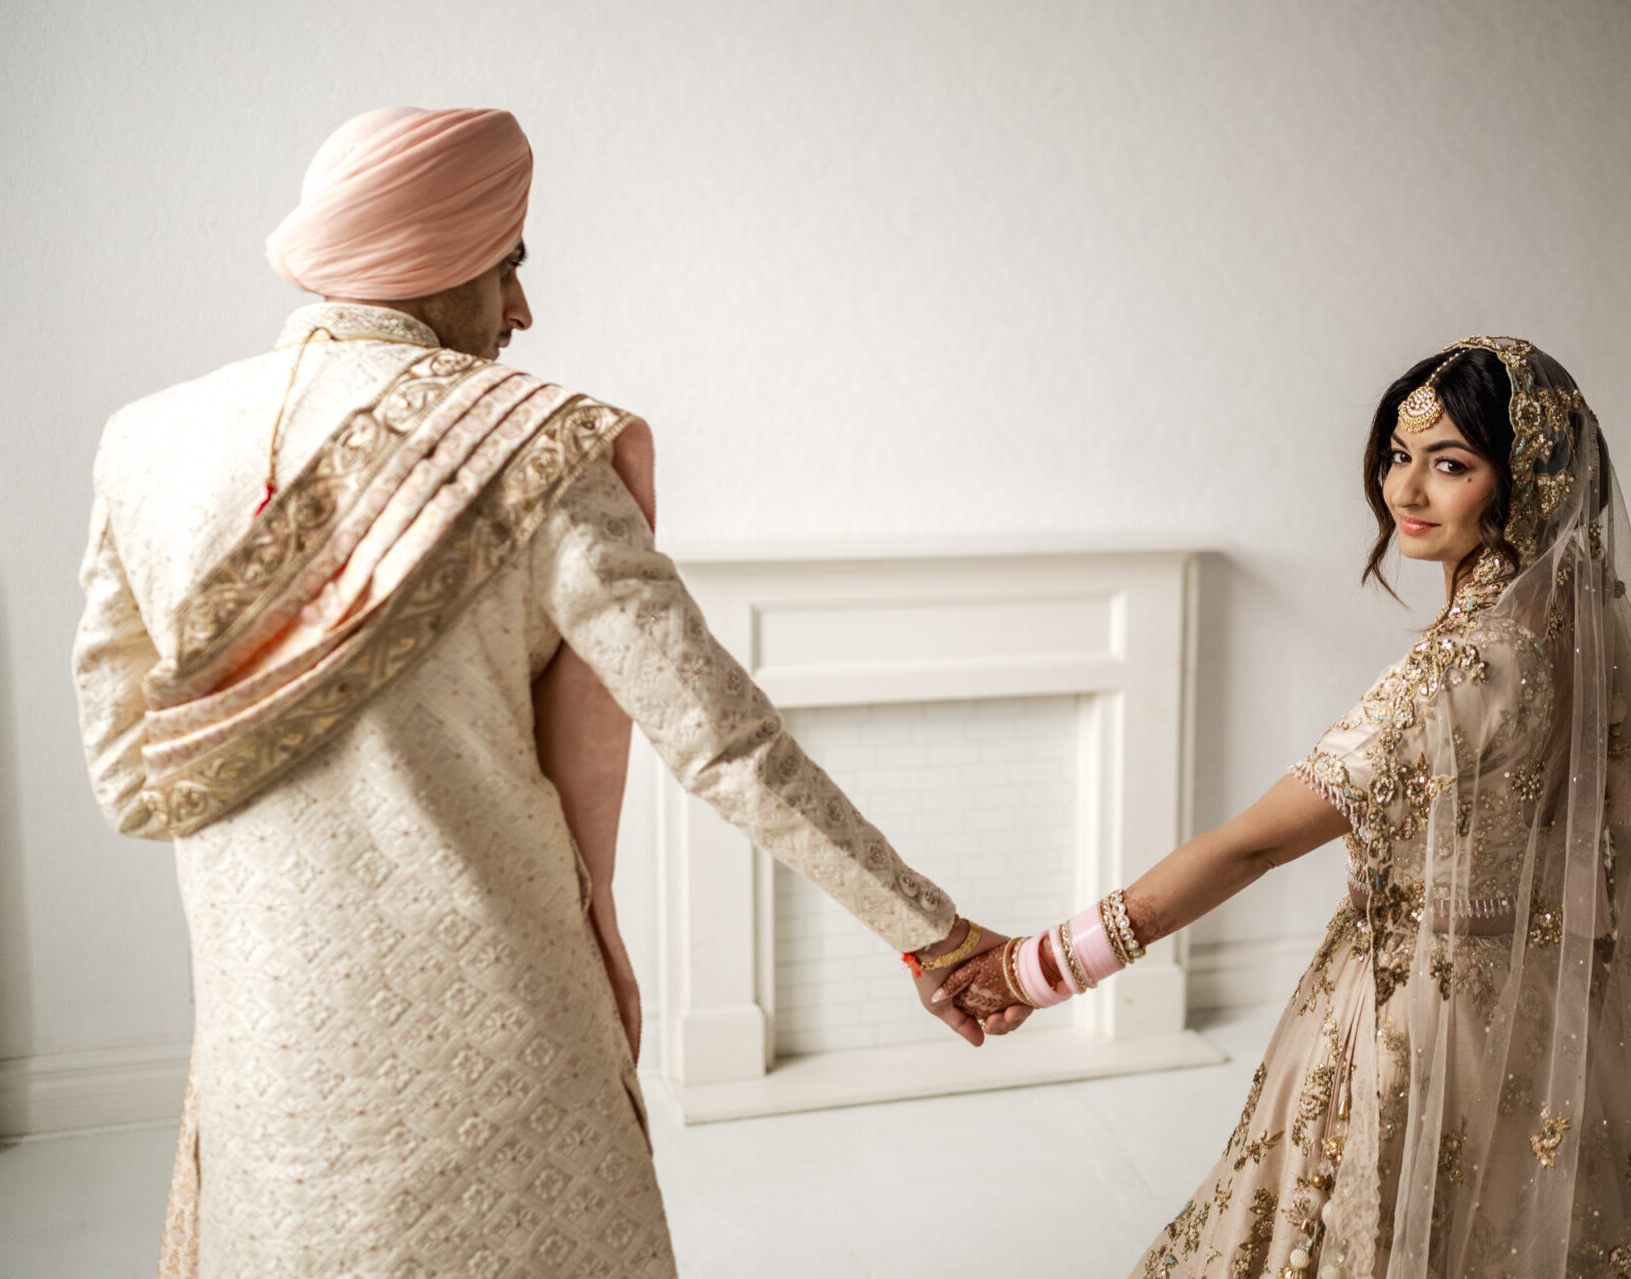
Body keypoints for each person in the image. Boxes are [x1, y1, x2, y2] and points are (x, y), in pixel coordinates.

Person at [72, 106, 1024, 1279]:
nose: (521, 312)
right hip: (495, 1035)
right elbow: (724, 744)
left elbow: (130, 782)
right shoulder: (536, 451)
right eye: (510, 265)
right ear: (437, 254)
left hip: (273, 1057)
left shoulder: (143, 445)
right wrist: (929, 931)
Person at [941, 338, 1631, 1277]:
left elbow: (1252, 846)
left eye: (1452, 464)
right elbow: (1624, 827)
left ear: (1521, 481)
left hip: (1422, 1022)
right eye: (1397, 454)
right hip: (1560, 1019)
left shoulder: (1452, 672)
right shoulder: (1577, 634)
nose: (1407, 491)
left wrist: (1036, 969)